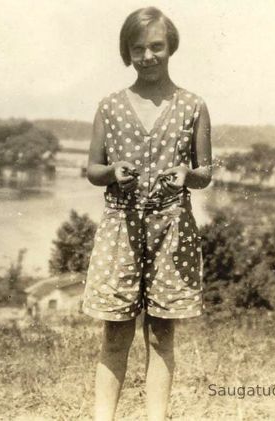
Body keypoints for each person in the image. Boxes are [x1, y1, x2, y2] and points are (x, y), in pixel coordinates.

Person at [82, 7, 212, 421]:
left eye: (156, 46)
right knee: (115, 333)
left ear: (170, 46)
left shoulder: (193, 105)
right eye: (138, 48)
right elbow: (92, 170)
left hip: (172, 228)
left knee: (161, 334)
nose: (148, 56)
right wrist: (111, 172)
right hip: (120, 226)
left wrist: (187, 174)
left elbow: (204, 172)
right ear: (127, 52)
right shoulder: (110, 106)